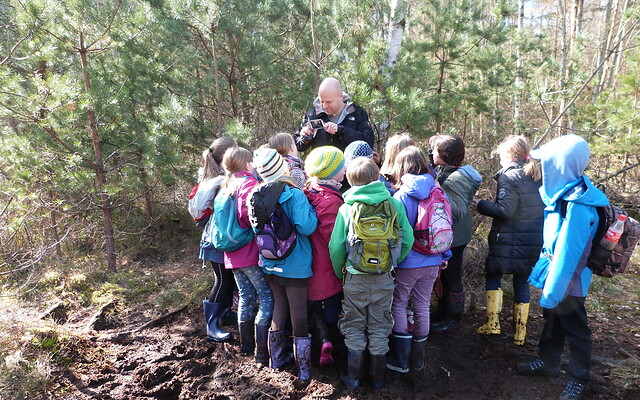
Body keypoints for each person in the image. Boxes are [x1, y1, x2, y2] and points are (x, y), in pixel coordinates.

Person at [516, 134, 608, 400]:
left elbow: (569, 254)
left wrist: (553, 291)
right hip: (560, 274)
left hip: (570, 279)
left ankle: (579, 379)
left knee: (576, 327)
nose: (543, 168)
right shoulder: (566, 193)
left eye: (548, 163)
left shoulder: (577, 204)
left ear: (560, 165)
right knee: (553, 320)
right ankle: (549, 362)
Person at [329, 157, 414, 390]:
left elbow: (335, 247)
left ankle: (353, 379)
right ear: (378, 177)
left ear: (350, 181)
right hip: (384, 277)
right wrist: (392, 263)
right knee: (379, 324)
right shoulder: (394, 204)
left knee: (354, 324)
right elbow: (408, 240)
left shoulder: (347, 208)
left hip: (355, 278)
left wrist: (341, 273)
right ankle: (377, 381)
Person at [250, 148, 318, 382]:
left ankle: (276, 359)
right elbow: (307, 227)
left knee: (279, 307)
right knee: (299, 313)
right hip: (295, 263)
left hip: (269, 261)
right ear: (283, 169)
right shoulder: (293, 194)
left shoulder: (255, 196)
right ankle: (304, 367)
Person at [471, 135, 544, 345]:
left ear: (510, 155)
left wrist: (481, 205)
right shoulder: (537, 174)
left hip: (508, 238)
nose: (500, 159)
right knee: (521, 280)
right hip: (532, 238)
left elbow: (505, 210)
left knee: (493, 274)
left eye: (502, 155)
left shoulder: (509, 177)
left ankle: (492, 324)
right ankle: (519, 334)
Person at [386, 146, 452, 374]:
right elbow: (444, 225)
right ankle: (418, 360)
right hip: (433, 259)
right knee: (423, 305)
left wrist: (393, 261)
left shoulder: (401, 196)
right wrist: (444, 255)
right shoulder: (438, 191)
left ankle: (401, 360)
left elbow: (398, 234)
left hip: (408, 262)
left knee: (400, 303)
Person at [220, 146, 274, 365]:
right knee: (266, 296)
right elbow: (248, 216)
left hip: (231, 254)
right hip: (249, 252)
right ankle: (262, 352)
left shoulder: (226, 185)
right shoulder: (249, 184)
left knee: (245, 297)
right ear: (246, 164)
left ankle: (246, 346)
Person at [429, 135, 482, 333]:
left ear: (446, 155)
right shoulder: (448, 170)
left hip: (456, 236)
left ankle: (454, 318)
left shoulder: (456, 179)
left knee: (452, 277)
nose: (432, 153)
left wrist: (439, 194)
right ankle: (442, 312)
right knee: (443, 277)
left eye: (435, 150)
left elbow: (459, 210)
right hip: (450, 234)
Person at [187, 137, 237, 342]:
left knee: (229, 279)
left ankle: (223, 314)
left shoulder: (212, 176)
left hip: (218, 237)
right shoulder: (218, 180)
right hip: (215, 239)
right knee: (223, 280)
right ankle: (212, 325)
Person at [303, 146, 346, 367]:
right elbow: (334, 241)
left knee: (312, 304)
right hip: (326, 265)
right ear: (332, 172)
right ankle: (328, 340)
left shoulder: (309, 191)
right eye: (341, 166)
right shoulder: (332, 202)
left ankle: (321, 339)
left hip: (308, 262)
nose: (345, 168)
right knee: (331, 304)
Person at [294, 77, 374, 153]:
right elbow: (296, 145)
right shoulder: (313, 115)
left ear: (341, 97)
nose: (324, 106)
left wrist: (340, 130)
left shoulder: (356, 113)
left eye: (329, 102)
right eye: (322, 101)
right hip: (321, 166)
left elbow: (368, 142)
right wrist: (305, 138)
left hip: (349, 166)